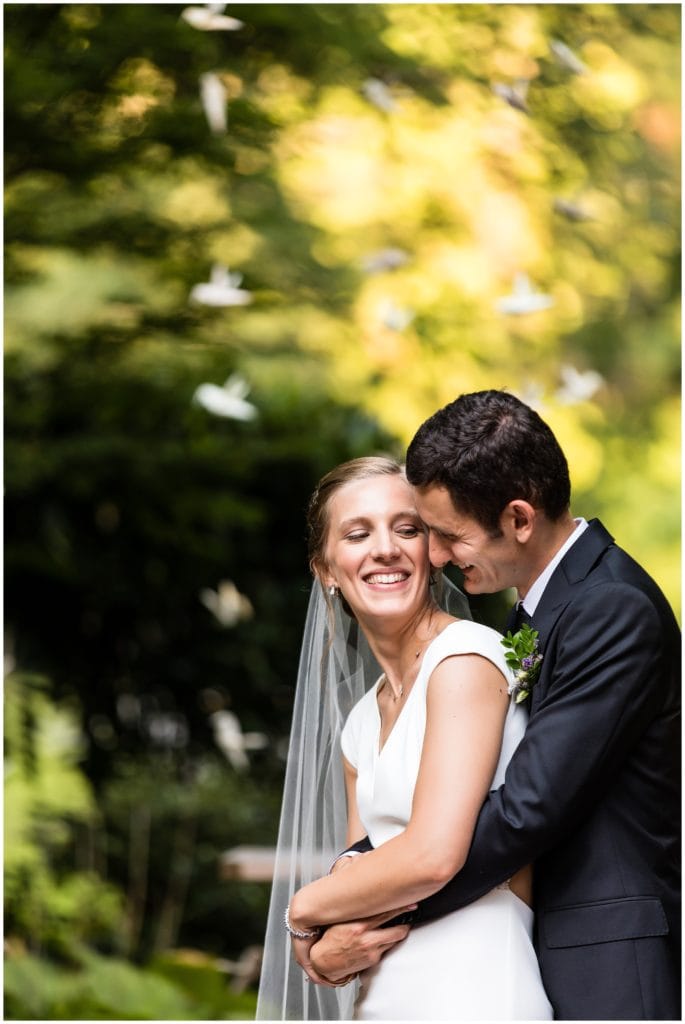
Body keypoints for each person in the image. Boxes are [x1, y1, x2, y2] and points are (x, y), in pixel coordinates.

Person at [306, 390, 681, 1021]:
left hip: (607, 960)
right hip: (536, 947)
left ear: (519, 519)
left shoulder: (609, 608)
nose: (439, 556)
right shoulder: (539, 613)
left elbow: (525, 810)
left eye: (445, 536)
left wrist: (333, 903)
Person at [257, 455, 553, 1020]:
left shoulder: (467, 658)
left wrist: (304, 908)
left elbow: (431, 856)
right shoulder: (360, 723)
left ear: (432, 551)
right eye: (357, 533)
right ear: (325, 567)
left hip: (475, 985)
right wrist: (330, 941)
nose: (386, 549)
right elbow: (357, 873)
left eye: (407, 528)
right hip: (384, 996)